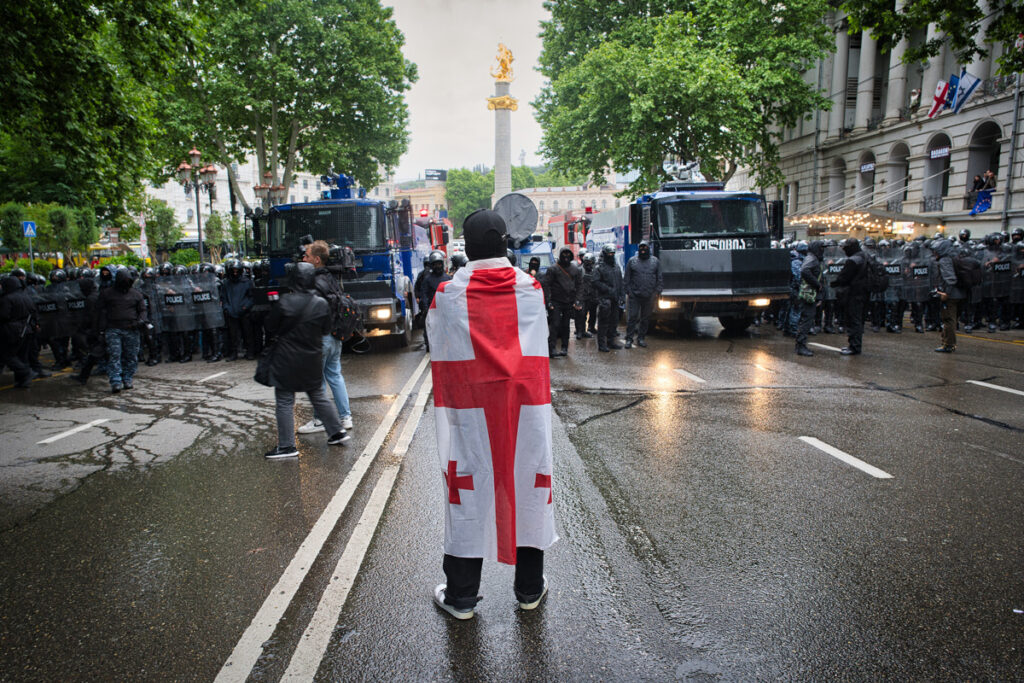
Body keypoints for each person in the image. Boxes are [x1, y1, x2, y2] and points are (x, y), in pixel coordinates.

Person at [427, 209, 556, 620]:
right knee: (528, 484)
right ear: (504, 243)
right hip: (525, 408)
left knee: (468, 488)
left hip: (470, 409)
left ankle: (462, 595)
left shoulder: (447, 295)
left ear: (466, 246)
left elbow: (438, 342)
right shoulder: (531, 288)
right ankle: (529, 589)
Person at [263, 261, 349, 459]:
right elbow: (326, 329)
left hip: (288, 357)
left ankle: (286, 446)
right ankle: (336, 431)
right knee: (318, 395)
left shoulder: (285, 302)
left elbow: (270, 326)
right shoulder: (320, 303)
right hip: (312, 355)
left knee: (285, 400)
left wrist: (273, 308)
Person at [296, 241, 355, 435]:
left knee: (317, 381)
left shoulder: (313, 282)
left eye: (307, 256)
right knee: (335, 376)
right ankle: (346, 417)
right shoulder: (330, 278)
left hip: (320, 337)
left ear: (317, 259)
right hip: (334, 335)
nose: (303, 258)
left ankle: (319, 419)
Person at [97, 267, 147, 392]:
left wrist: (141, 321)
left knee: (131, 356)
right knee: (115, 355)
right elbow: (101, 312)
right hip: (113, 329)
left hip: (131, 329)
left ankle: (127, 378)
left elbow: (142, 310)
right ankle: (115, 381)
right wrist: (101, 330)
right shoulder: (107, 293)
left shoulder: (136, 294)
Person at [540, 246, 582, 357]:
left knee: (566, 325)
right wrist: (548, 301)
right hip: (556, 301)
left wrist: (577, 300)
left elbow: (579, 285)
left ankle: (564, 347)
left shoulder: (575, 269)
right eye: (564, 255)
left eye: (568, 255)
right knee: (555, 324)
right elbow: (546, 285)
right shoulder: (553, 269)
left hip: (569, 301)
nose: (566, 257)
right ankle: (552, 348)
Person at [832, 238, 868, 355]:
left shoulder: (853, 260)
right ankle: (855, 345)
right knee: (857, 320)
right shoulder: (865, 256)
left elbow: (843, 277)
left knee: (854, 321)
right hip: (863, 292)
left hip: (853, 293)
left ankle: (854, 346)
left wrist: (835, 283)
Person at [623, 241, 662, 348]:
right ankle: (629, 339)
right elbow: (626, 279)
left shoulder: (655, 261)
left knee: (645, 318)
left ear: (649, 248)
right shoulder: (632, 261)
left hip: (649, 295)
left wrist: (656, 292)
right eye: (641, 247)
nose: (643, 249)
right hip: (635, 295)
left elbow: (659, 278)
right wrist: (629, 292)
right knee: (633, 317)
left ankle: (641, 338)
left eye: (645, 247)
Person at [0, 275, 36, 388]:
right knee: (22, 356)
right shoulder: (26, 296)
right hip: (27, 329)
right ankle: (23, 381)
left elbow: (3, 316)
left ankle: (26, 372)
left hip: (12, 330)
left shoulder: (7, 299)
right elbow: (34, 311)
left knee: (6, 355)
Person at [930, 238, 965, 352]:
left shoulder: (944, 260)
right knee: (951, 319)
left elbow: (950, 279)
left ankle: (948, 344)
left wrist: (946, 293)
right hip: (959, 293)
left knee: (948, 320)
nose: (934, 253)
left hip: (951, 295)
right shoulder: (955, 257)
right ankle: (946, 342)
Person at [795, 241, 825, 356]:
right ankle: (800, 346)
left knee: (807, 319)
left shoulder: (813, 258)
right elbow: (804, 270)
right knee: (806, 320)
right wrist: (817, 284)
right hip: (809, 294)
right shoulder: (812, 259)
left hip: (811, 293)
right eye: (821, 248)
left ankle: (800, 345)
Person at [418, 250, 452, 353]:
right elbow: (423, 294)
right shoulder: (427, 280)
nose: (438, 266)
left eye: (439, 264)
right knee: (429, 328)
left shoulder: (448, 278)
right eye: (435, 264)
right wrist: (426, 308)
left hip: (445, 309)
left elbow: (452, 294)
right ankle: (429, 344)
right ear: (432, 266)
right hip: (432, 309)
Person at [593, 243, 624, 352]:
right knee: (603, 321)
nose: (611, 255)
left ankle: (611, 341)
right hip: (604, 298)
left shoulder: (616, 267)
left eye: (612, 253)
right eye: (609, 253)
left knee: (614, 321)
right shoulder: (599, 268)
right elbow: (595, 282)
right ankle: (602, 344)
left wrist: (622, 295)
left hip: (615, 298)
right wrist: (607, 289)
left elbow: (620, 282)